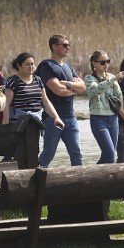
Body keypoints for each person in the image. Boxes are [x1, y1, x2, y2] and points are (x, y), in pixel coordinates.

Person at [36, 34, 86, 167]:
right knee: (48, 154)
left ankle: (81, 183)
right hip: (53, 119)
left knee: (77, 154)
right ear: (54, 47)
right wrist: (74, 90)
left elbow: (83, 87)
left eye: (68, 45)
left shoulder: (68, 67)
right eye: (64, 45)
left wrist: (68, 84)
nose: (67, 48)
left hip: (71, 118)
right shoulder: (47, 66)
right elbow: (57, 90)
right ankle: (32, 178)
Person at [84, 51, 124, 164]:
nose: (106, 64)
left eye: (108, 61)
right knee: (109, 153)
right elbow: (95, 90)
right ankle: (94, 176)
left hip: (113, 119)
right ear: (94, 63)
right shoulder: (89, 78)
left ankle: (98, 178)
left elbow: (119, 95)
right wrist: (112, 80)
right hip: (98, 120)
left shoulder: (112, 77)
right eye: (103, 62)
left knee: (110, 155)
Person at [3, 52, 64, 127]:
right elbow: (6, 105)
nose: (30, 67)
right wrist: (5, 126)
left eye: (32, 64)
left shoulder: (37, 80)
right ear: (19, 66)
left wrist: (56, 117)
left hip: (35, 123)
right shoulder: (13, 81)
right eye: (27, 64)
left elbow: (46, 102)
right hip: (18, 125)